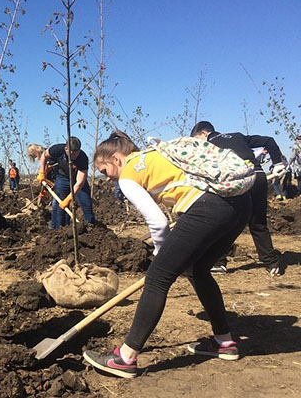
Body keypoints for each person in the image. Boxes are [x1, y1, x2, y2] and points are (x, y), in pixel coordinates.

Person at [83, 130, 252, 379]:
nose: (107, 180)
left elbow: (158, 223)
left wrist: (161, 257)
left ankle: (125, 357)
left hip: (207, 207)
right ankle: (224, 342)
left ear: (117, 159)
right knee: (198, 270)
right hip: (239, 204)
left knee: (157, 278)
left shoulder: (128, 175)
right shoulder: (156, 154)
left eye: (104, 172)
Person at [190, 121, 284, 276]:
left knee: (225, 222)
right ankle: (272, 264)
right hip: (258, 177)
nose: (197, 143)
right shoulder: (238, 136)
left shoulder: (209, 145)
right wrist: (278, 163)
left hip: (238, 182)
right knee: (258, 222)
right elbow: (268, 140)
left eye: (196, 138)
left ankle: (219, 262)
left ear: (204, 133)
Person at [37, 137, 96, 228]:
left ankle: (91, 228)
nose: (75, 155)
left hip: (77, 180)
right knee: (59, 204)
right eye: (72, 153)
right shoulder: (57, 149)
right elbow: (44, 156)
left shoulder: (82, 158)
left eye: (77, 152)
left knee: (86, 203)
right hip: (62, 177)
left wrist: (68, 199)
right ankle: (59, 229)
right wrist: (42, 172)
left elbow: (79, 183)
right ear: (66, 149)